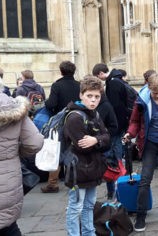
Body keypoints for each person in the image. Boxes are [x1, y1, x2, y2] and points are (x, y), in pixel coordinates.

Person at [123, 74, 158, 232]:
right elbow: (135, 122)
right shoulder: (141, 102)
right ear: (149, 88)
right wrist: (129, 134)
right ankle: (141, 215)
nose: (157, 95)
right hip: (150, 143)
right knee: (145, 179)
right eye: (154, 92)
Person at [0, 67, 44, 236]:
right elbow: (35, 142)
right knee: (9, 227)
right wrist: (13, 152)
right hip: (8, 178)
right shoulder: (14, 105)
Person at [64, 75, 110, 236]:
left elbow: (107, 138)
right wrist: (99, 141)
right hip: (78, 170)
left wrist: (95, 140)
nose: (93, 100)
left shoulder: (94, 114)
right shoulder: (75, 117)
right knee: (75, 207)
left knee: (89, 205)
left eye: (97, 97)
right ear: (81, 95)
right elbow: (82, 146)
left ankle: (89, 233)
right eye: (89, 96)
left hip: (93, 168)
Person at [41, 60, 81, 193]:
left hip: (61, 122)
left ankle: (53, 183)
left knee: (56, 150)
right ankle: (75, 179)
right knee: (74, 148)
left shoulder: (57, 86)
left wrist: (46, 103)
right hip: (77, 120)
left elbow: (51, 104)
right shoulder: (79, 85)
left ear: (61, 71)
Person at [92, 63, 134, 162]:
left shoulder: (113, 82)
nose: (99, 79)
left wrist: (113, 122)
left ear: (101, 73)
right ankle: (118, 165)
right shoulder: (116, 80)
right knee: (118, 143)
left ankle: (116, 166)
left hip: (117, 120)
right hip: (121, 119)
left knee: (115, 144)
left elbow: (115, 105)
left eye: (97, 76)